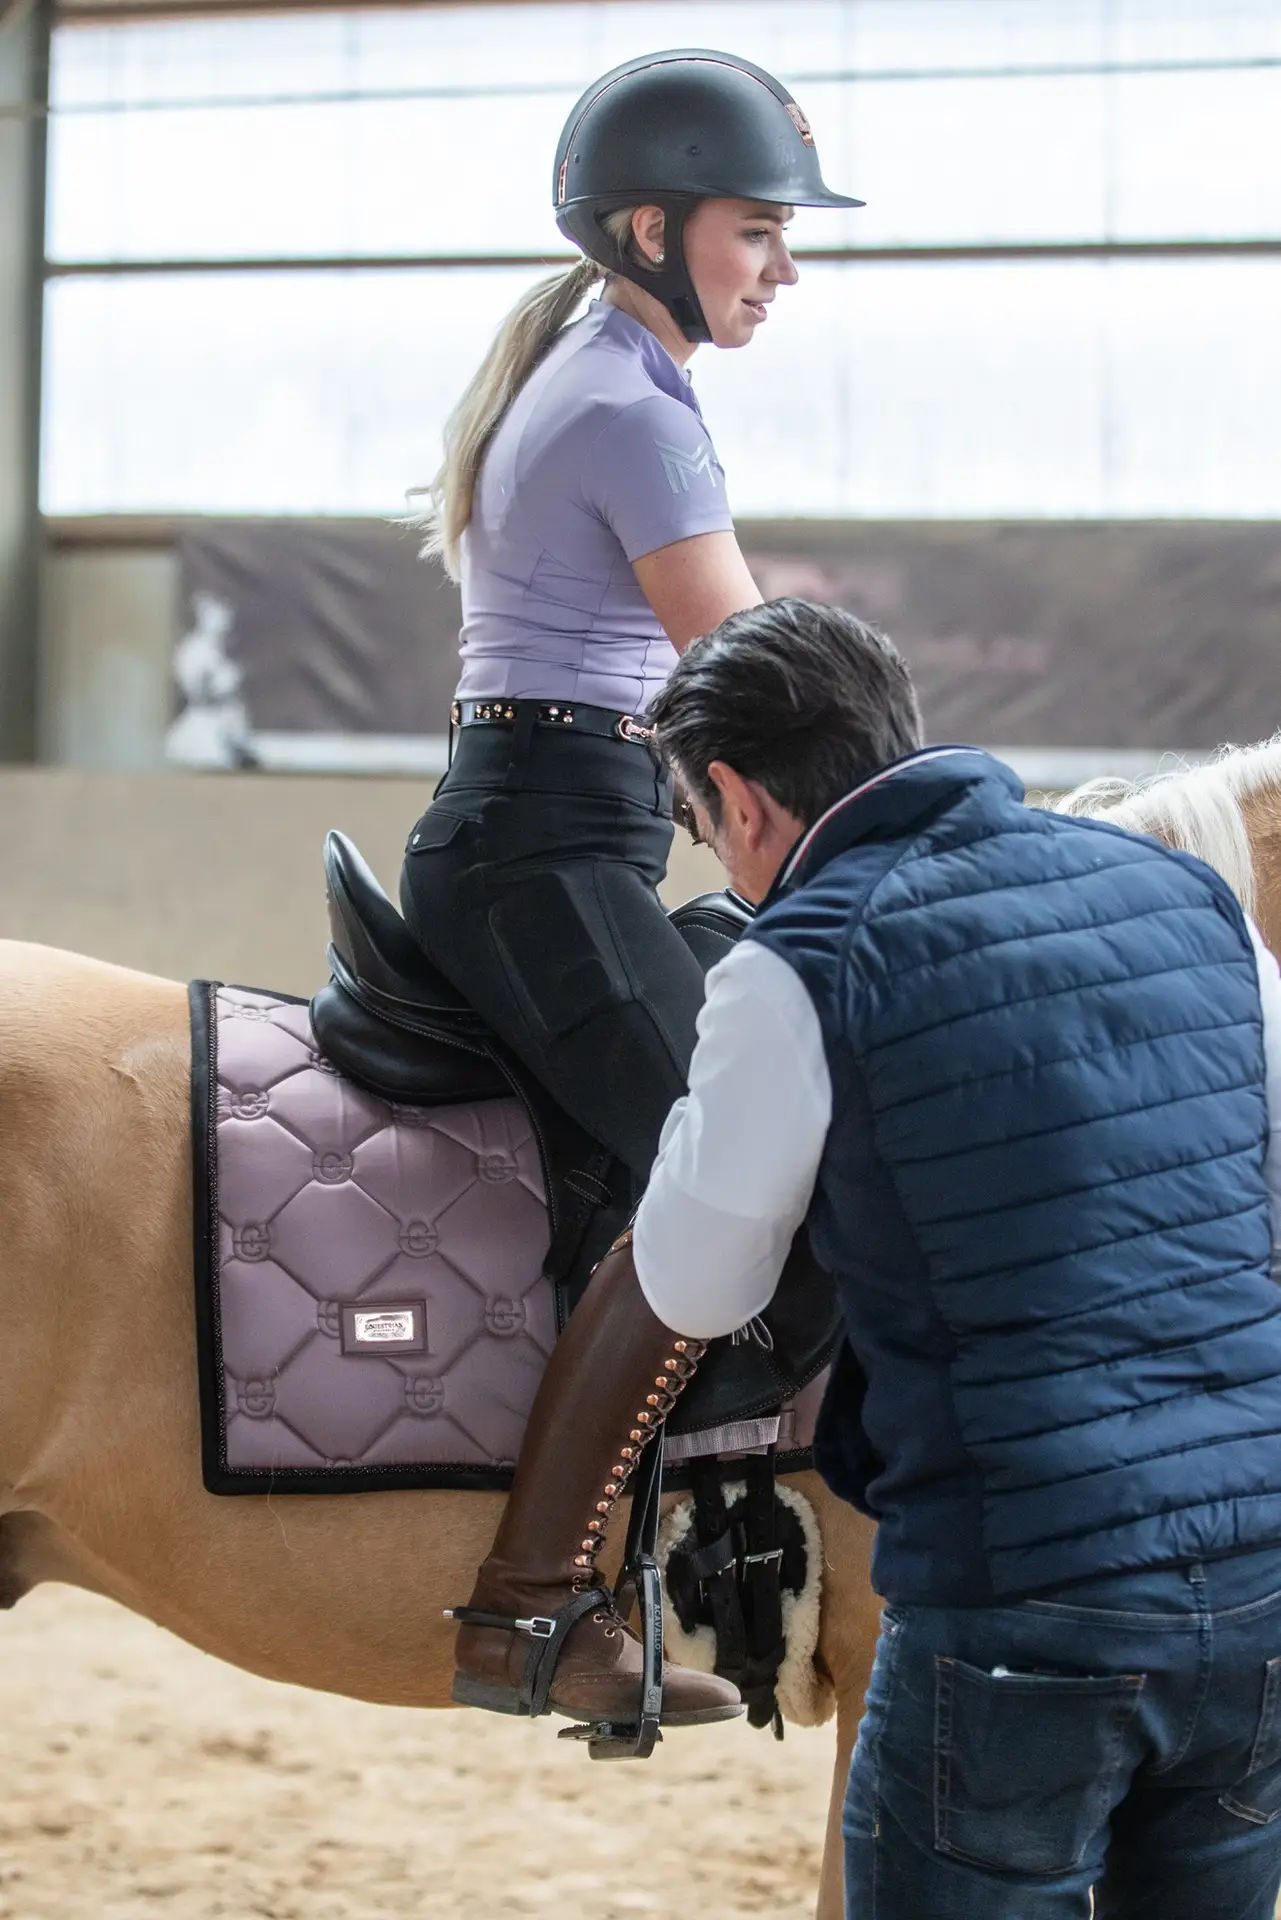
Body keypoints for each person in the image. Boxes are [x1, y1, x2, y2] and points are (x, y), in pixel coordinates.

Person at [639, 595, 1281, 1918]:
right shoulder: (1194, 897)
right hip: (1260, 1582)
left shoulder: (795, 965)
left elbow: (697, 1288)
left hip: (1023, 1603)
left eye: (704, 831)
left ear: (732, 798)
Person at [399, 52, 863, 1728]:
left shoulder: (621, 379)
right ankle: (529, 1605)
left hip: (569, 831)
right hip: (543, 854)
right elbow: (753, 684)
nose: (783, 268)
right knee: (726, 1178)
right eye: (760, 231)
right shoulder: (623, 406)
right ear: (653, 227)